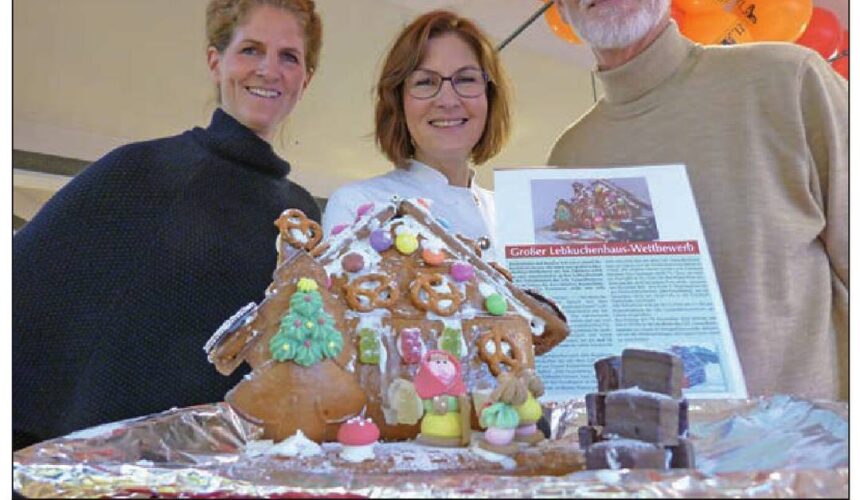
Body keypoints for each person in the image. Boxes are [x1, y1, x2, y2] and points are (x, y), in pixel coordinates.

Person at [13, 0, 323, 449]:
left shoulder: (300, 215)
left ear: (305, 80)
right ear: (216, 61)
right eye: (251, 50)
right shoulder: (142, 170)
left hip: (234, 465)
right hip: (117, 465)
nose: (269, 70)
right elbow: (26, 291)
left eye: (288, 56)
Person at [549, 0, 847, 400]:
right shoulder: (569, 157)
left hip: (811, 453)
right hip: (635, 453)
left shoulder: (789, 79)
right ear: (561, 9)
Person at [322, 10, 512, 260]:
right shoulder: (360, 205)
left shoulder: (515, 214)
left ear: (490, 97)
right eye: (425, 82)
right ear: (398, 102)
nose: (448, 100)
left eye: (466, 79)